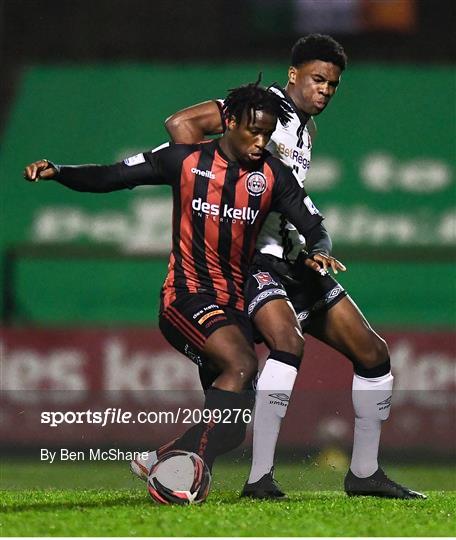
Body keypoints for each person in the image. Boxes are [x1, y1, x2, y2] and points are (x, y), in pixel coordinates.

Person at [153, 34, 425, 499]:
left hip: (291, 258)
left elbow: (293, 201)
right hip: (252, 261)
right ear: (294, 74)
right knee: (283, 346)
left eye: (333, 84)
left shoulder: (306, 130)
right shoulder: (263, 108)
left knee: (373, 353)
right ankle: (258, 478)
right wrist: (210, 192)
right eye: (318, 79)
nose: (325, 90)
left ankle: (364, 473)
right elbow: (181, 123)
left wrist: (313, 242)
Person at [23, 82, 336, 481]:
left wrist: (320, 248)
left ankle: (162, 458)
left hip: (234, 305)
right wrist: (60, 172)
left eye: (268, 134)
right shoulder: (184, 162)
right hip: (185, 296)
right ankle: (189, 476)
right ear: (229, 122)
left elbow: (313, 224)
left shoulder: (272, 175)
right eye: (253, 132)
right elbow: (112, 176)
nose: (261, 142)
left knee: (230, 430)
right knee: (241, 363)